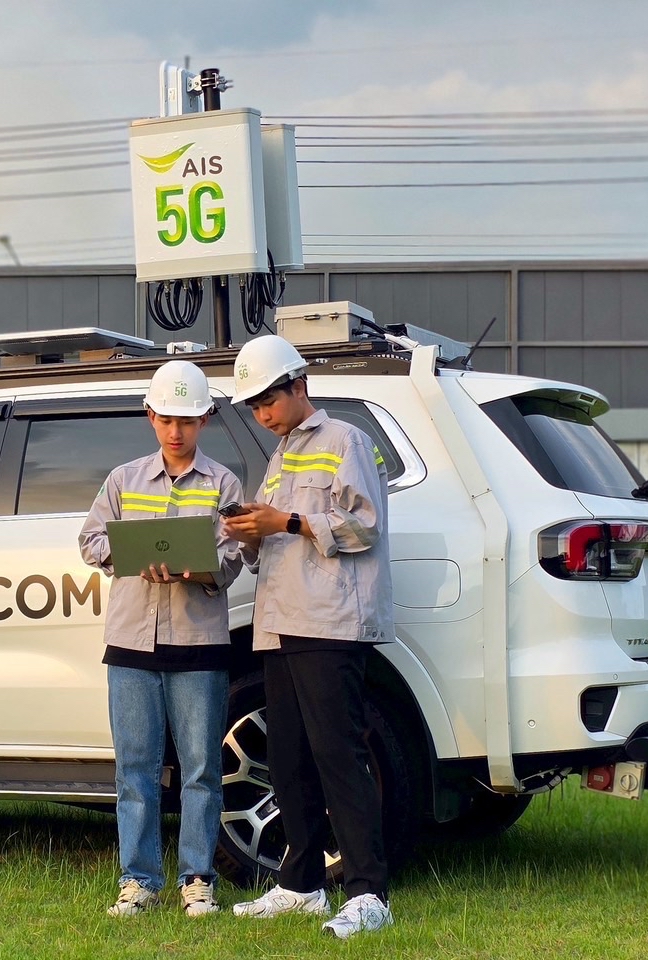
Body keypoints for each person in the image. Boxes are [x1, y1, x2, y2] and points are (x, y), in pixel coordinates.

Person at [220, 334, 396, 940]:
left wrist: (287, 520)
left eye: (269, 399)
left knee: (338, 754)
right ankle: (300, 885)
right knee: (288, 757)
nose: (262, 413)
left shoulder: (346, 440)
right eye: (254, 406)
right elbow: (277, 538)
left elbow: (365, 525)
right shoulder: (280, 457)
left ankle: (369, 892)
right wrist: (252, 531)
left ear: (299, 385)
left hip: (329, 622)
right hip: (280, 622)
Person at [78, 359, 245, 918]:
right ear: (150, 416)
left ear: (205, 421)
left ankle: (197, 880)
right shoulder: (122, 480)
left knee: (201, 769)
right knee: (135, 770)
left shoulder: (223, 484)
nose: (177, 431)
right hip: (131, 644)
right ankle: (139, 881)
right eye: (168, 419)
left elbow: (233, 559)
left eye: (188, 420)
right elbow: (91, 540)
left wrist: (197, 569)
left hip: (199, 644)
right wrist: (130, 555)